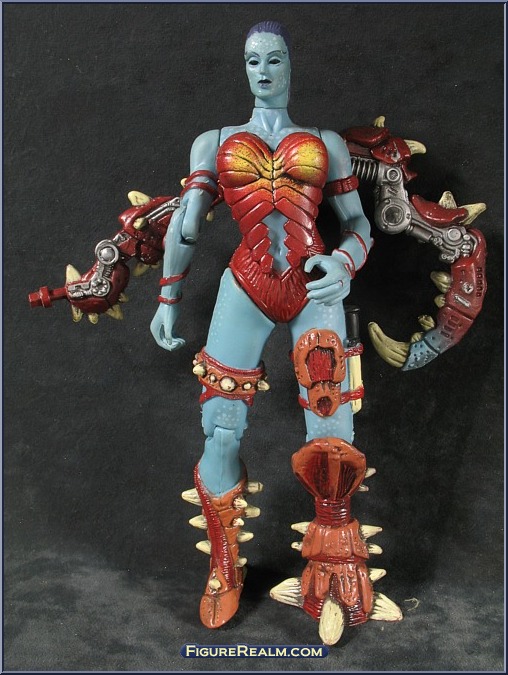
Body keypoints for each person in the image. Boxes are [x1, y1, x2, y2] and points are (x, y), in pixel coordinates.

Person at [149, 22, 397, 643]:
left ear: (290, 65)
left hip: (315, 287)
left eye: (274, 59)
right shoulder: (213, 143)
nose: (263, 70)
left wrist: (344, 264)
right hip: (246, 285)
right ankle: (224, 563)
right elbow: (186, 226)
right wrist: (168, 296)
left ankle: (336, 566)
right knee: (220, 424)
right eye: (253, 60)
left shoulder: (326, 144)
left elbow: (359, 224)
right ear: (244, 68)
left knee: (332, 430)